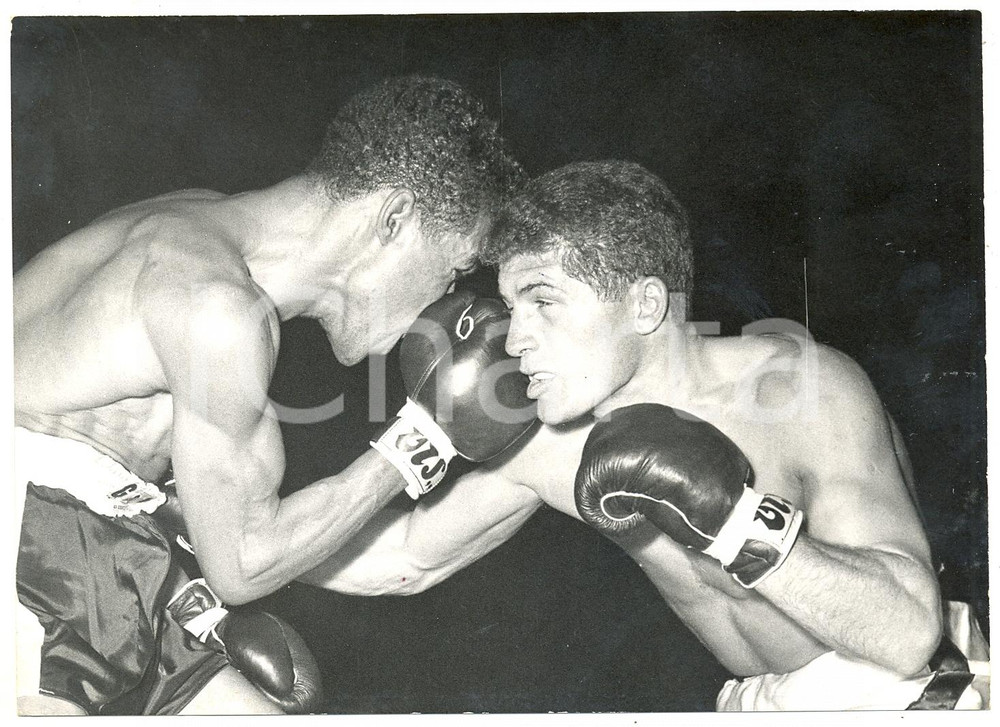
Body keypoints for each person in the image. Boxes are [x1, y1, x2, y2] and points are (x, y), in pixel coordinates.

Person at [301, 160, 989, 710]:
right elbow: (404, 557)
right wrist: (216, 537)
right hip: (766, 700)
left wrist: (737, 521)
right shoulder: (551, 444)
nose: (514, 336)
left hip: (908, 692)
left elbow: (906, 634)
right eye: (510, 307)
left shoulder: (800, 389)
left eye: (542, 300)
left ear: (646, 304)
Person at [13, 74, 528, 716]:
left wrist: (544, 448)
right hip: (34, 545)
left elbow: (398, 564)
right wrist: (419, 441)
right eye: (449, 271)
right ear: (394, 219)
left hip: (99, 528)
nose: (439, 302)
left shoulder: (192, 225)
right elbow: (243, 567)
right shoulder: (216, 309)